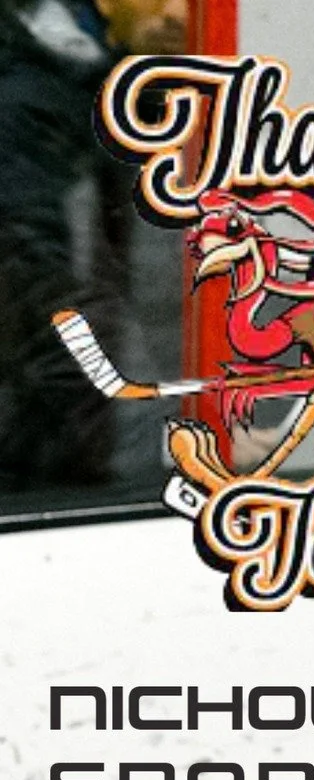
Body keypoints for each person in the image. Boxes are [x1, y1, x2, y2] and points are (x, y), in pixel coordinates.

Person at [0, 0, 186, 495]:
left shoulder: (124, 93)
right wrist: (165, 441)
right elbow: (47, 322)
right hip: (59, 478)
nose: (179, 13)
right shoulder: (28, 106)